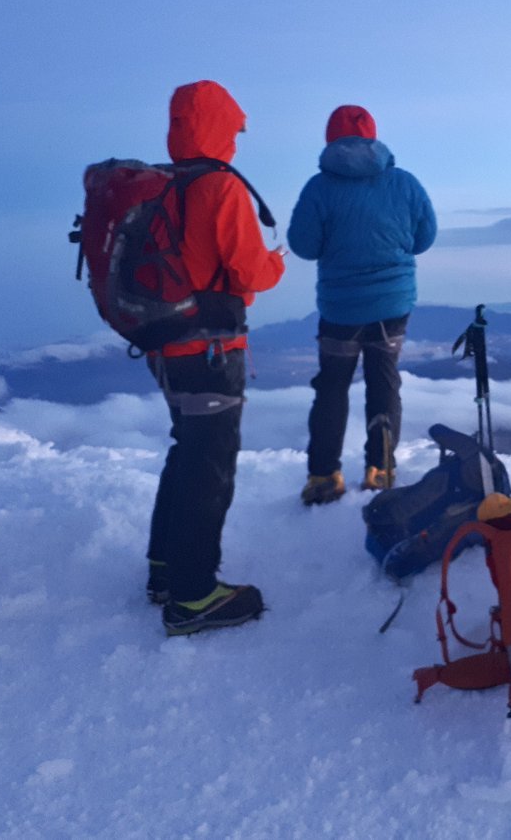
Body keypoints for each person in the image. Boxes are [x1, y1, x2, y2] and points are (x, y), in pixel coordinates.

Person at [146, 80, 286, 637]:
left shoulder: (159, 186)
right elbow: (249, 272)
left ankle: (165, 569)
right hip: (210, 348)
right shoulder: (220, 188)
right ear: (224, 128)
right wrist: (275, 264)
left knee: (186, 452)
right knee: (210, 467)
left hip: (165, 345)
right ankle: (194, 595)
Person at [288, 105, 437, 505]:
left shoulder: (319, 188)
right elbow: (425, 237)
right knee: (384, 380)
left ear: (329, 140)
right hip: (393, 303)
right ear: (374, 138)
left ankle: (323, 476)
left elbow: (303, 246)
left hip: (339, 308)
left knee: (332, 386)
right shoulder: (404, 184)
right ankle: (380, 470)